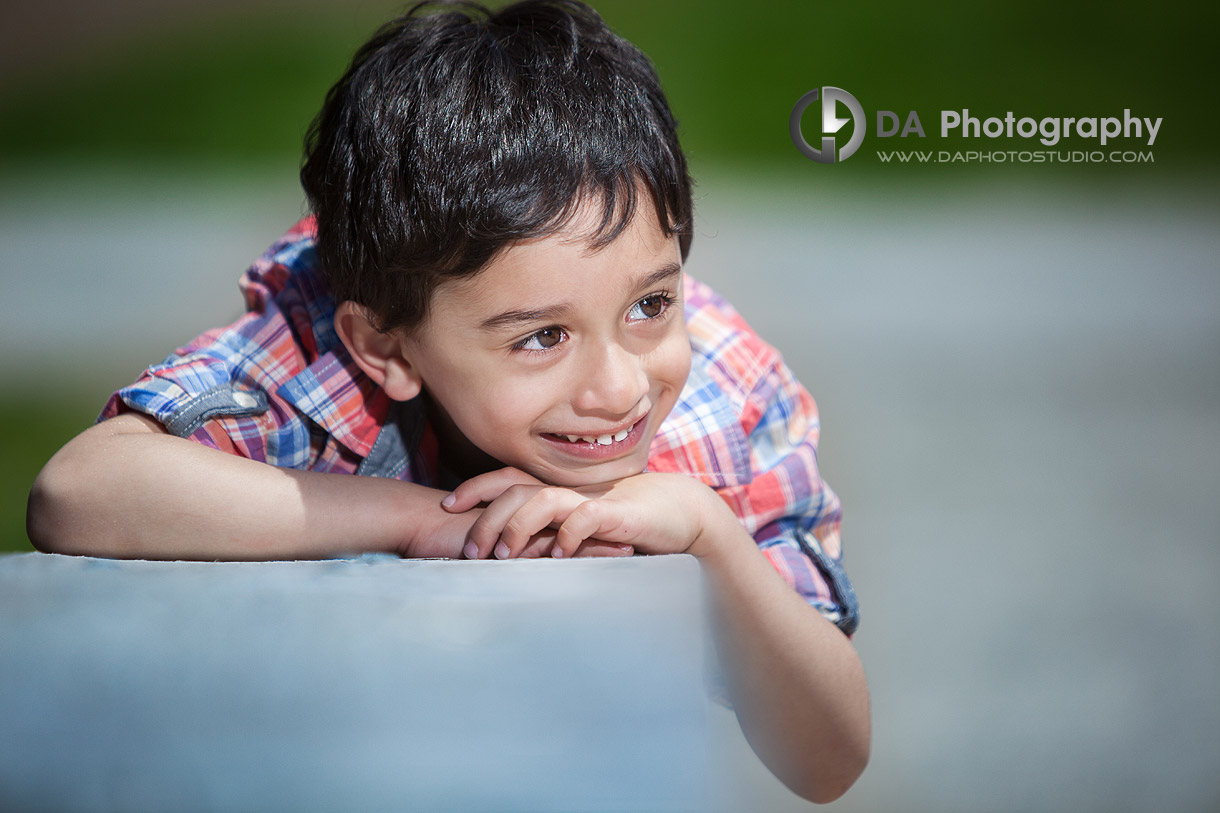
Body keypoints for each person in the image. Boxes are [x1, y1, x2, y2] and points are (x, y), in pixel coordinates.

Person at [26, 0, 869, 801]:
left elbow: (829, 757)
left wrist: (709, 533)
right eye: (542, 337)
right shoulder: (330, 347)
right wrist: (424, 517)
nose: (619, 387)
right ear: (384, 349)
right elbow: (78, 491)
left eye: (651, 305)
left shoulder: (727, 396)